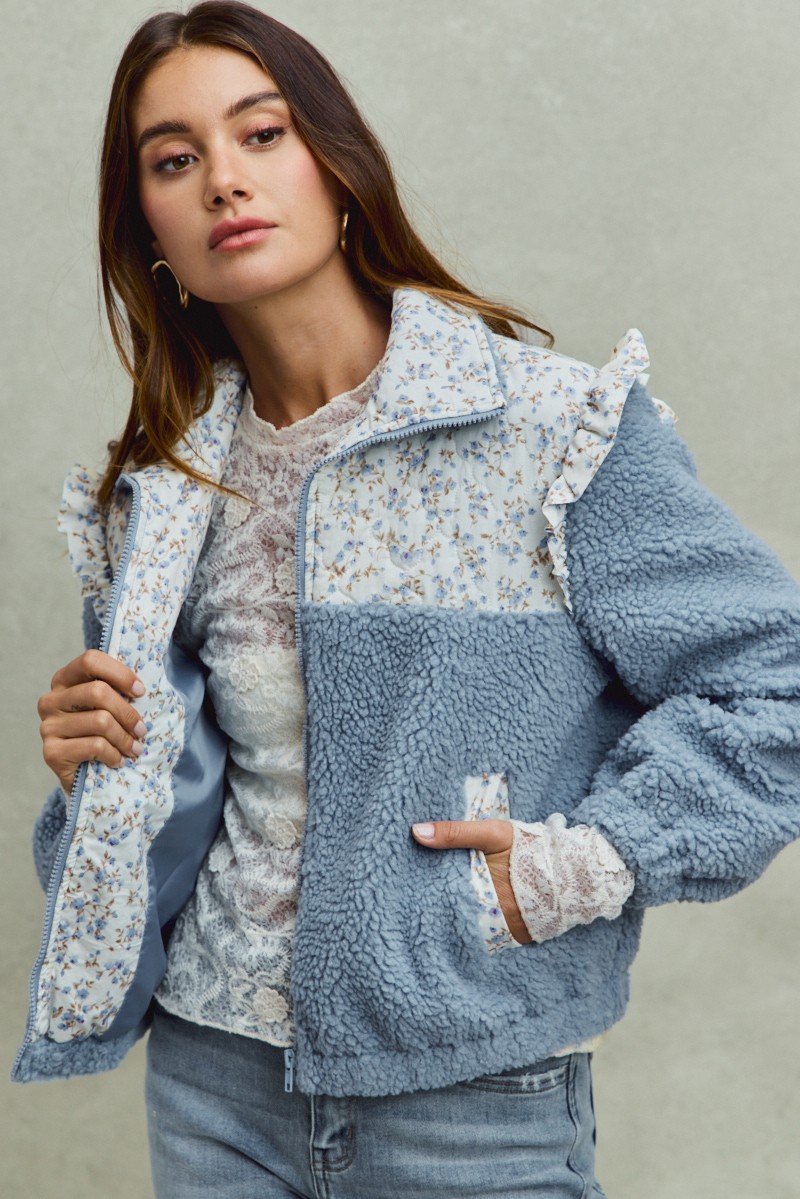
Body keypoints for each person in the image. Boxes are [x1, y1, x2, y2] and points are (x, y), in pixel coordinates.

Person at [14, 2, 800, 1196]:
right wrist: (95, 765)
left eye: (262, 134)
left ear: (339, 173)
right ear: (151, 235)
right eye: (174, 161)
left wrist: (585, 862)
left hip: (471, 1096)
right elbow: (164, 822)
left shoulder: (550, 428)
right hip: (211, 1084)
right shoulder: (161, 493)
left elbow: (773, 683)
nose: (223, 179)